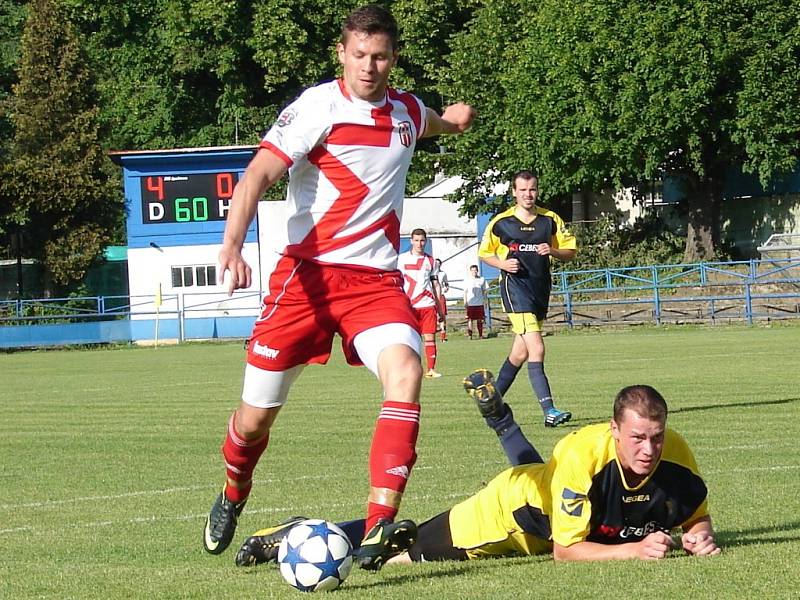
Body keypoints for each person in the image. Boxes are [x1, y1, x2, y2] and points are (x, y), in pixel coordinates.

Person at [203, 4, 475, 570]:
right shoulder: (316, 108)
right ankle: (233, 490)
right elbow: (256, 174)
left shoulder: (404, 110)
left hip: (374, 282)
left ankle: (378, 524)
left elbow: (432, 120)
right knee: (255, 419)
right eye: (359, 56)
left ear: (393, 57)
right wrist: (231, 244)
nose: (369, 67)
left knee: (406, 372)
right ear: (341, 53)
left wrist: (453, 119)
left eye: (379, 57)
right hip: (305, 279)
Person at [234, 375, 720, 566]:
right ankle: (292, 536)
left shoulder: (674, 452)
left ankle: (501, 419)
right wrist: (633, 551)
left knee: (541, 475)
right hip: (510, 515)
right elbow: (565, 552)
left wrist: (701, 534)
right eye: (637, 437)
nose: (649, 448)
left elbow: (695, 510)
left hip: (547, 490)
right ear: (614, 430)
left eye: (656, 437)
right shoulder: (583, 455)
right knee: (400, 548)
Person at [478, 170, 577, 427]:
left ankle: (490, 401)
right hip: (515, 290)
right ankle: (549, 410)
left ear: (537, 190)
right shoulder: (502, 223)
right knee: (537, 347)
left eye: (532, 189)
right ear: (514, 192)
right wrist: (502, 264)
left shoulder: (549, 219)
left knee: (519, 353)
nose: (528, 195)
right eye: (522, 190)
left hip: (539, 290)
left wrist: (553, 250)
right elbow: (484, 253)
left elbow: (570, 251)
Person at [398, 229, 443, 378]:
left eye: (422, 240)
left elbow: (435, 284)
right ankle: (409, 369)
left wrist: (440, 307)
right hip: (409, 305)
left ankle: (430, 369)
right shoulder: (401, 260)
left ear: (426, 241)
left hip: (427, 304)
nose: (419, 243)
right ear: (411, 241)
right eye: (416, 240)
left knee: (430, 337)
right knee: (409, 339)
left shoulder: (431, 261)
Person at [463, 264, 488, 339]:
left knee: (480, 319)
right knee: (470, 319)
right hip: (470, 303)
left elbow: (485, 291)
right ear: (470, 271)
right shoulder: (467, 280)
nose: (474, 272)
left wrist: (485, 301)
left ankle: (480, 335)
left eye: (475, 270)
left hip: (479, 302)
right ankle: (470, 335)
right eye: (472, 270)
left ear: (477, 271)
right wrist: (465, 302)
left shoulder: (482, 279)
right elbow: (465, 292)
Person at [434, 258, 449, 342]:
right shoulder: (429, 273)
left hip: (441, 296)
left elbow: (446, 283)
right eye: (436, 263)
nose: (437, 265)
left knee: (442, 315)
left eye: (438, 263)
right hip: (432, 296)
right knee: (432, 315)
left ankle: (443, 337)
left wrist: (446, 288)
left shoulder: (443, 274)